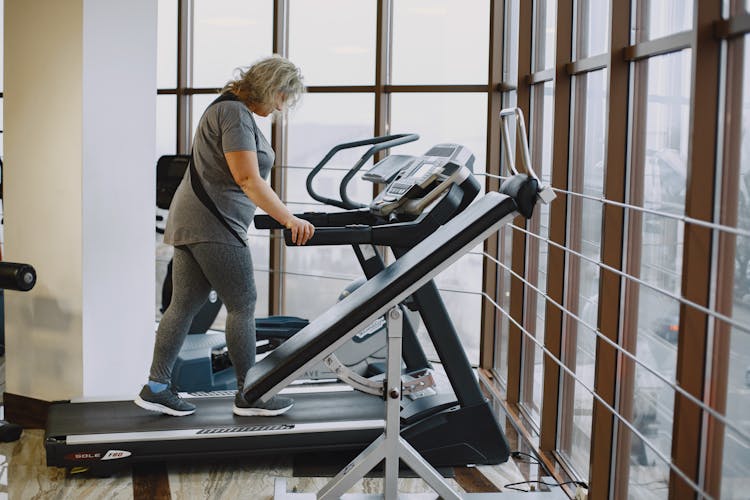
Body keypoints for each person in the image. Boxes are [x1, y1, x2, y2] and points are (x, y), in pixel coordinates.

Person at [135, 55, 314, 417]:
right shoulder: (233, 114)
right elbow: (248, 178)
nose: (283, 107)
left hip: (192, 220)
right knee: (243, 303)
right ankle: (249, 394)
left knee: (183, 305)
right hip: (215, 223)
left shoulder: (225, 109)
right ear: (272, 88)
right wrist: (288, 218)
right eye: (284, 97)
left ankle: (156, 387)